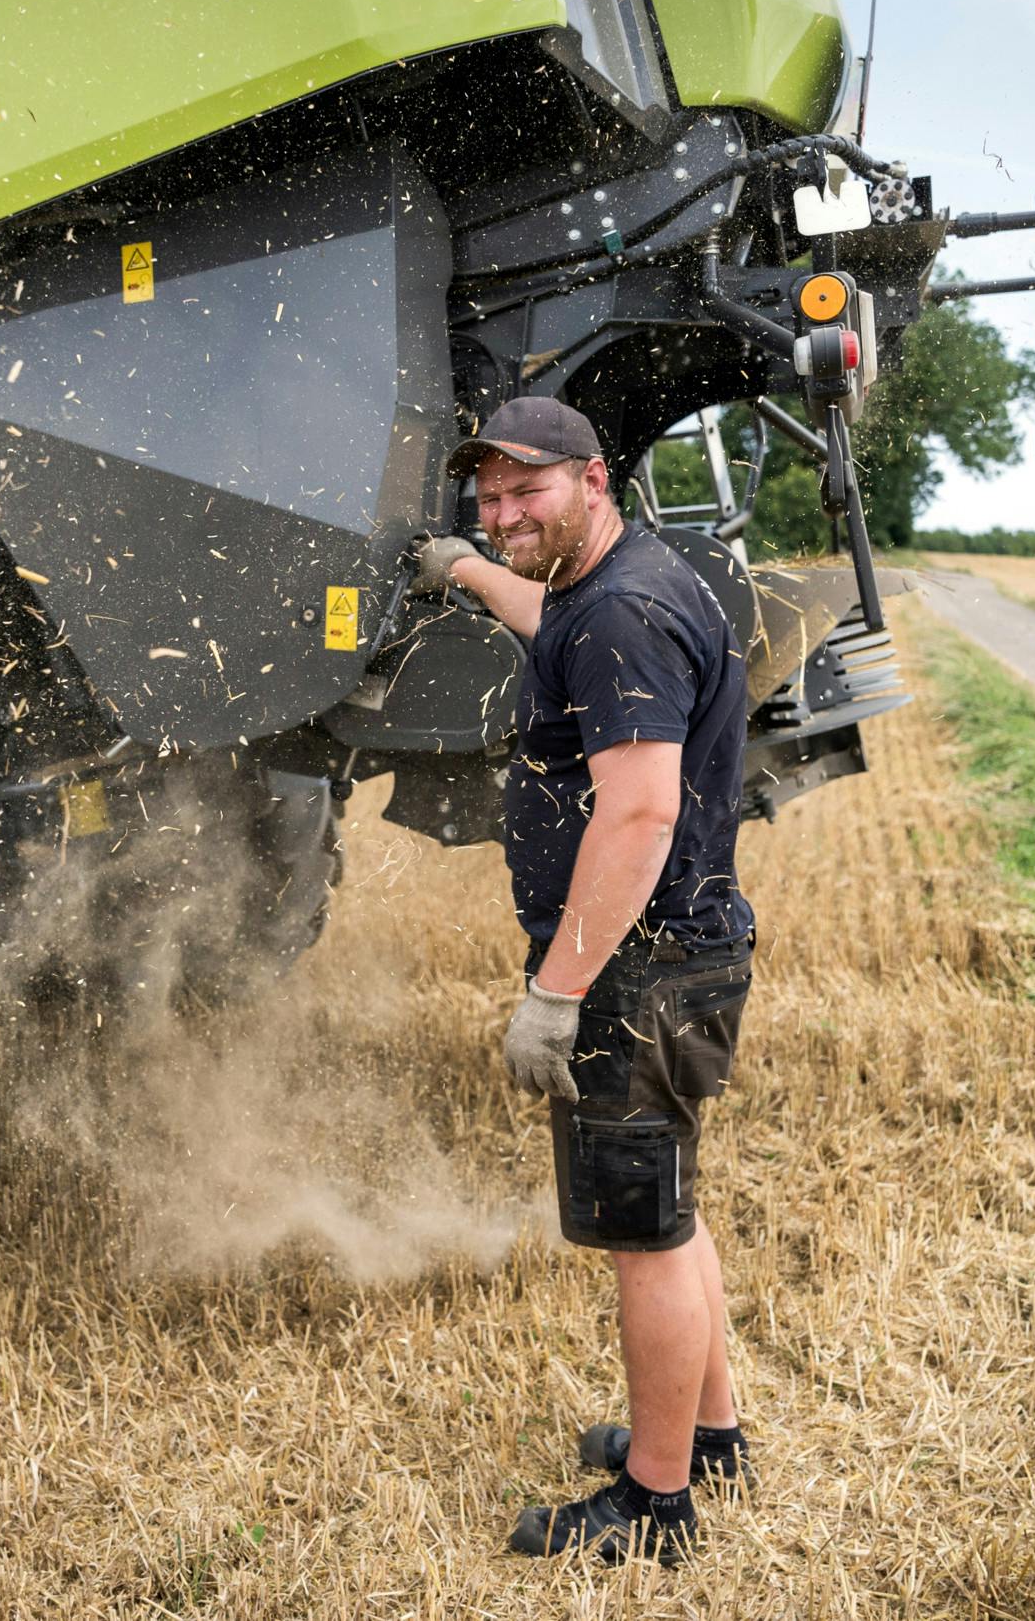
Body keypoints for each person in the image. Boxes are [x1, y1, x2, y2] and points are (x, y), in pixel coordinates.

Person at [410, 396, 757, 1565]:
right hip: (680, 953)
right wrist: (466, 570)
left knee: (641, 1235)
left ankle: (654, 1505)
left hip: (636, 971)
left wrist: (559, 989)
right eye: (487, 498)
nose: (505, 514)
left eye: (527, 493)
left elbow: (642, 809)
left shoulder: (621, 618)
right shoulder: (617, 581)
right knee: (671, 1206)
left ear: (592, 479)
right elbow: (548, 617)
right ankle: (708, 1435)